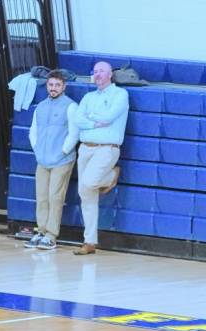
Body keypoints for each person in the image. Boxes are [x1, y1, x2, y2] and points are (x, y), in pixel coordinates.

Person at [73, 61, 128, 255]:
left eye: (101, 71)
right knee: (85, 194)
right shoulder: (88, 97)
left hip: (106, 148)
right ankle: (89, 242)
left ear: (110, 74)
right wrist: (94, 123)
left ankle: (111, 176)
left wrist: (91, 118)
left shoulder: (120, 95)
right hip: (85, 148)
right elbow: (78, 119)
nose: (97, 74)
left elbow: (108, 117)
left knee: (88, 183)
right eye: (95, 71)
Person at [24, 69, 79, 250]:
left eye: (57, 85)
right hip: (43, 159)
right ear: (46, 86)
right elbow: (33, 131)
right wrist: (38, 150)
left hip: (62, 160)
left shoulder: (71, 106)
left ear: (64, 86)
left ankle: (51, 235)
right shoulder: (40, 106)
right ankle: (40, 231)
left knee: (55, 197)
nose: (53, 88)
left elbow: (74, 133)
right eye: (50, 85)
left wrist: (63, 152)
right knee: (41, 196)